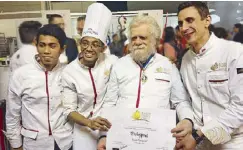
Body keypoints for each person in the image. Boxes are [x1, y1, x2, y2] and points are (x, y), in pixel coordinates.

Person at [97, 15, 192, 150]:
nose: (137, 41)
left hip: (158, 141)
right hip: (123, 140)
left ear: (154, 40)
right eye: (133, 38)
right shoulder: (119, 65)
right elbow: (110, 103)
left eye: (143, 37)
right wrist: (103, 135)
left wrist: (187, 120)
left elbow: (181, 101)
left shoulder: (167, 66)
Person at [172, 1, 243, 150]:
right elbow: (185, 99)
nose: (184, 28)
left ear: (207, 21)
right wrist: (187, 121)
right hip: (199, 144)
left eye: (190, 20)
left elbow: (240, 107)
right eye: (180, 23)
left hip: (232, 143)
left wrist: (200, 135)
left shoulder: (234, 52)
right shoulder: (185, 60)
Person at [5, 24, 73, 150]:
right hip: (34, 144)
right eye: (42, 45)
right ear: (36, 45)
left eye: (52, 46)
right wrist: (16, 145)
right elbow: (12, 115)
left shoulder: (69, 73)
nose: (46, 51)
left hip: (64, 142)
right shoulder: (20, 75)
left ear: (62, 49)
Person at [61, 3, 118, 150]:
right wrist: (89, 122)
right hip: (83, 130)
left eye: (95, 44)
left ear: (103, 48)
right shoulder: (70, 72)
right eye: (85, 43)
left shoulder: (111, 62)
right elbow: (68, 110)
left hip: (109, 127)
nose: (89, 49)